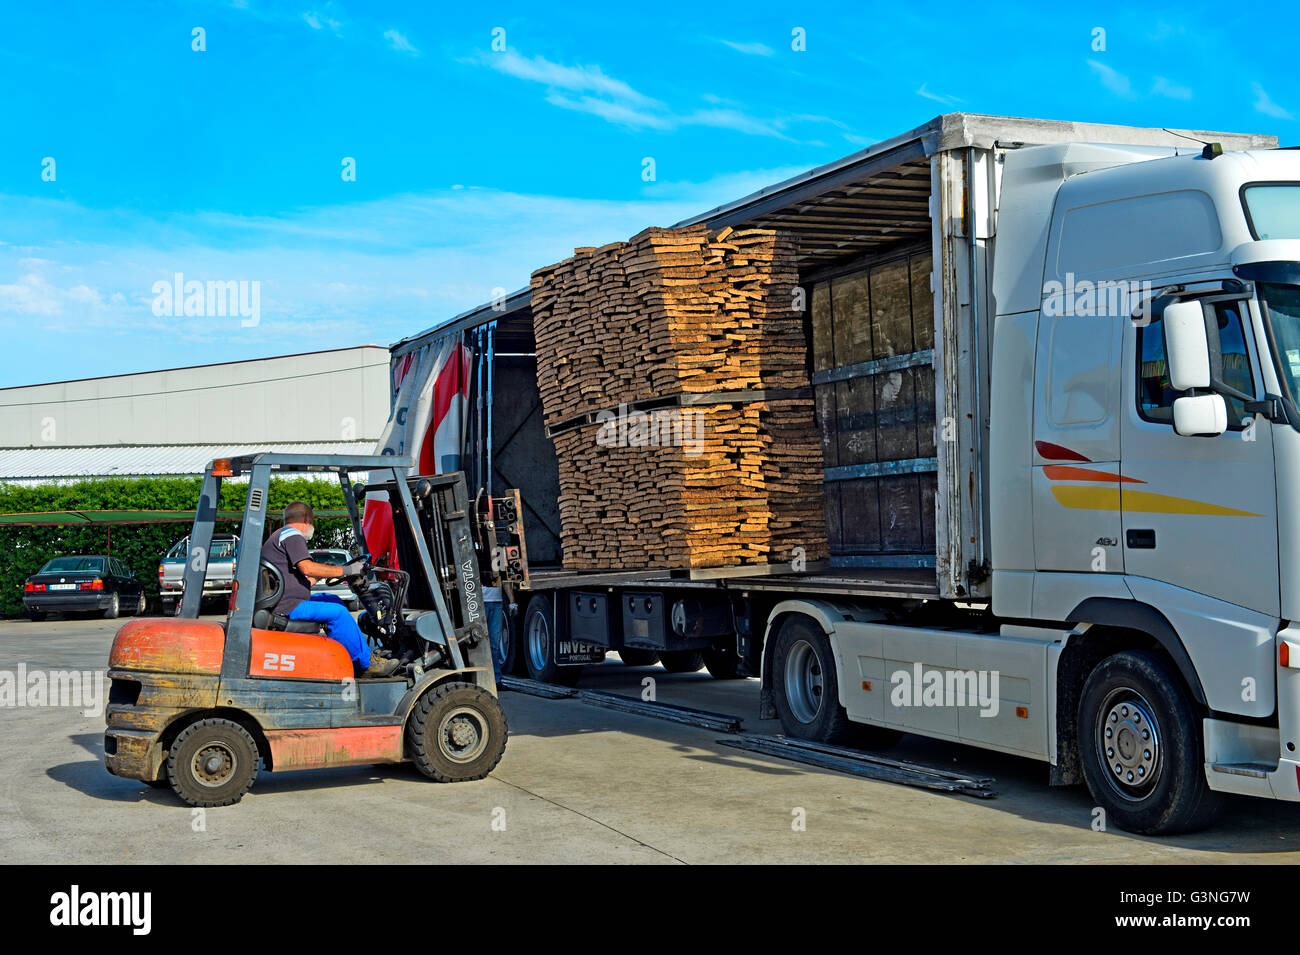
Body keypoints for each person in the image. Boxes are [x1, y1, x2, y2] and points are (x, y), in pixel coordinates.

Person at [261, 501, 399, 678]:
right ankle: (367, 664)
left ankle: (351, 653)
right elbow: (307, 568)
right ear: (306, 519)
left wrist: (320, 575)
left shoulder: (280, 536)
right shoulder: (292, 535)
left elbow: (298, 580)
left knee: (333, 600)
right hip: (288, 606)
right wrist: (347, 570)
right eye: (312, 521)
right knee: (339, 613)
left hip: (286, 600)